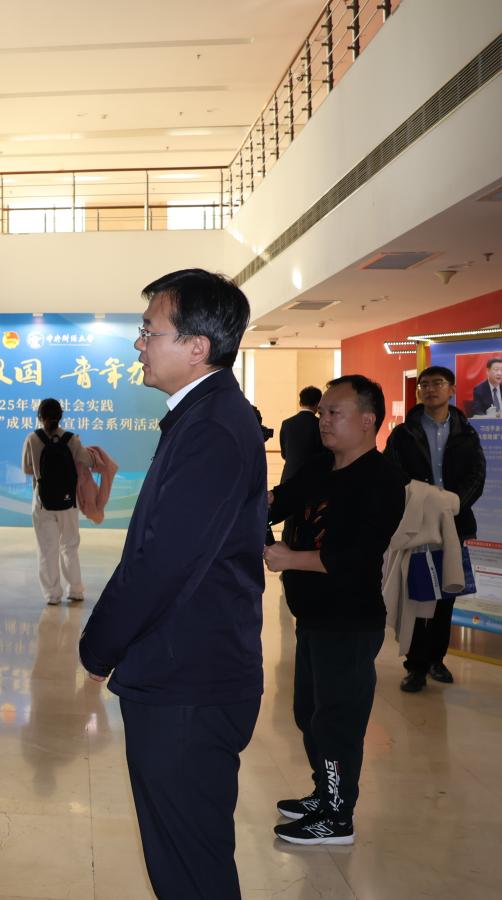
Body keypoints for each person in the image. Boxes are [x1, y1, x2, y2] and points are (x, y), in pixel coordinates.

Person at [79, 269, 265, 898]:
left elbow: (161, 562)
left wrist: (98, 646)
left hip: (189, 681)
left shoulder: (211, 428)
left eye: (149, 331)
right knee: (185, 858)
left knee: (190, 869)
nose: (138, 344)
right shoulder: (204, 416)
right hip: (188, 672)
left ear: (196, 346)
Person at [265, 375, 407, 846]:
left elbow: (358, 557)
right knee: (309, 713)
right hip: (312, 616)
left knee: (336, 721)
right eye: (323, 411)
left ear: (367, 421)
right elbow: (280, 503)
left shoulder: (382, 479)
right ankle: (324, 795)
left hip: (349, 621)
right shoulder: (319, 465)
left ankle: (337, 817)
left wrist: (291, 559)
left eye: (334, 413)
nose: (323, 420)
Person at [384, 365, 486, 693]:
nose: (430, 389)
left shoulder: (466, 432)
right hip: (418, 524)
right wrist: (423, 500)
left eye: (438, 383)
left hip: (454, 524)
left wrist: (453, 503)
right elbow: (392, 473)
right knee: (418, 594)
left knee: (446, 597)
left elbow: (477, 475)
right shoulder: (404, 433)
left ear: (451, 390)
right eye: (424, 384)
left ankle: (436, 660)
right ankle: (415, 665)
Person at [22, 399, 93, 604]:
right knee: (69, 545)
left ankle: (52, 594)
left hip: (42, 501)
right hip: (68, 501)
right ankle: (75, 590)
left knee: (47, 548)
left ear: (39, 416)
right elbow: (87, 461)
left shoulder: (32, 438)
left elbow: (26, 469)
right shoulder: (72, 439)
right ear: (61, 416)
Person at [279, 386, 327, 484]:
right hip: (312, 479)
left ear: (300, 403)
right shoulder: (320, 424)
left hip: (288, 478)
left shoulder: (287, 423)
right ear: (318, 404)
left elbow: (284, 454)